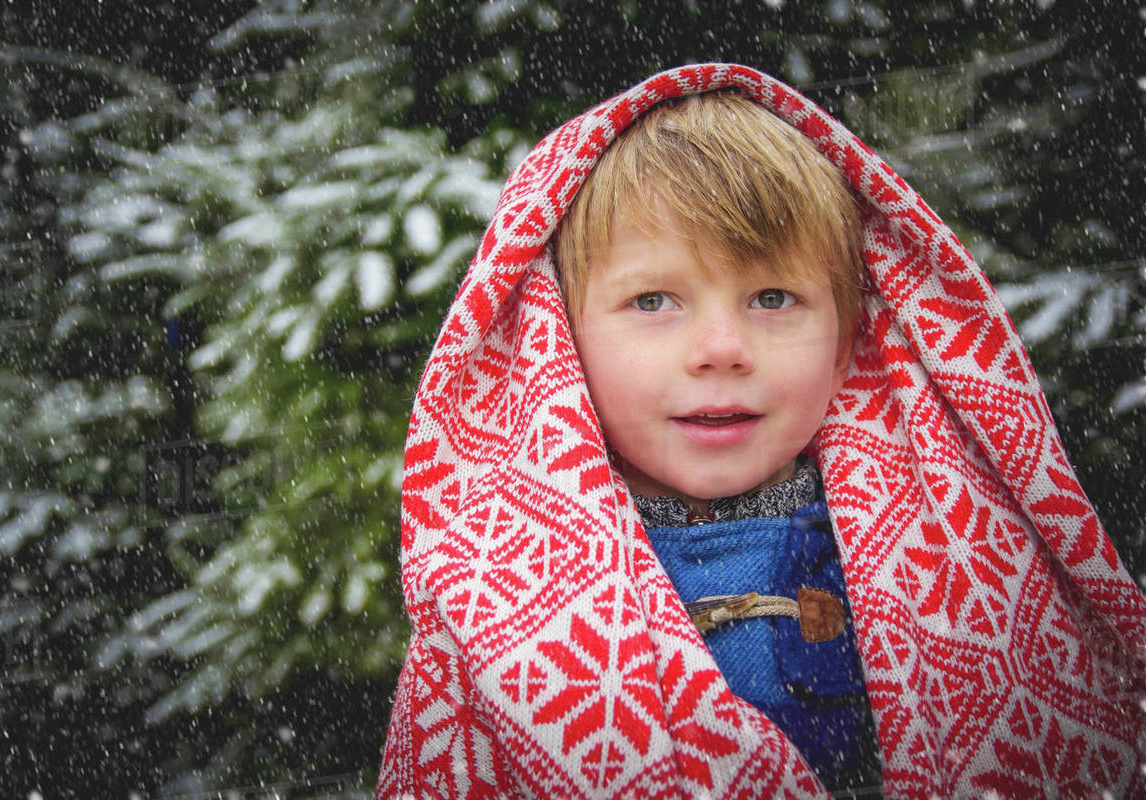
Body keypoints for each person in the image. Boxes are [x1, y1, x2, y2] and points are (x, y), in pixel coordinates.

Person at [378, 64, 1146, 799]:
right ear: (559, 344)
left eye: (773, 297)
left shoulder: (954, 562)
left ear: (847, 343)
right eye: (653, 301)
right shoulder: (495, 611)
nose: (721, 349)